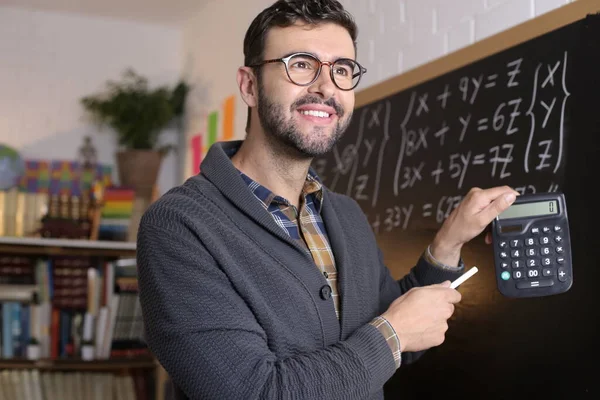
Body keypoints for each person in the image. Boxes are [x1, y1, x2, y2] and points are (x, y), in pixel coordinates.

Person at [135, 1, 519, 399]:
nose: (326, 87)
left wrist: (448, 244)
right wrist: (391, 334)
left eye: (341, 70)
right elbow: (252, 391)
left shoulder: (344, 214)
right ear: (250, 86)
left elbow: (397, 335)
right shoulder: (178, 225)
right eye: (301, 64)